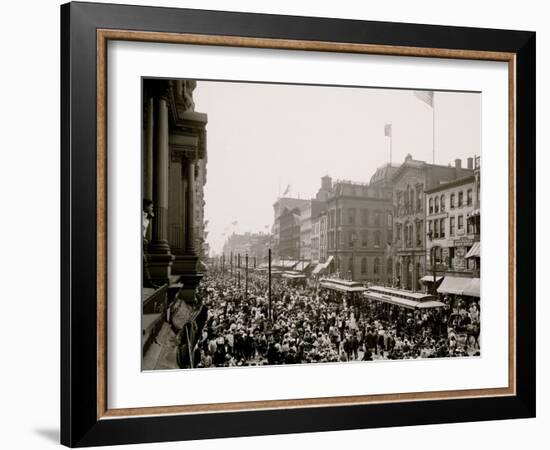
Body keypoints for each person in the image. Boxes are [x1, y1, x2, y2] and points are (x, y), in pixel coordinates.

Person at [142, 199, 159, 289]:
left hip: (142, 241)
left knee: (144, 260)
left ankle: (148, 282)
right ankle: (148, 282)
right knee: (143, 260)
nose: (152, 208)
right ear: (145, 206)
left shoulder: (146, 216)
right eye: (151, 206)